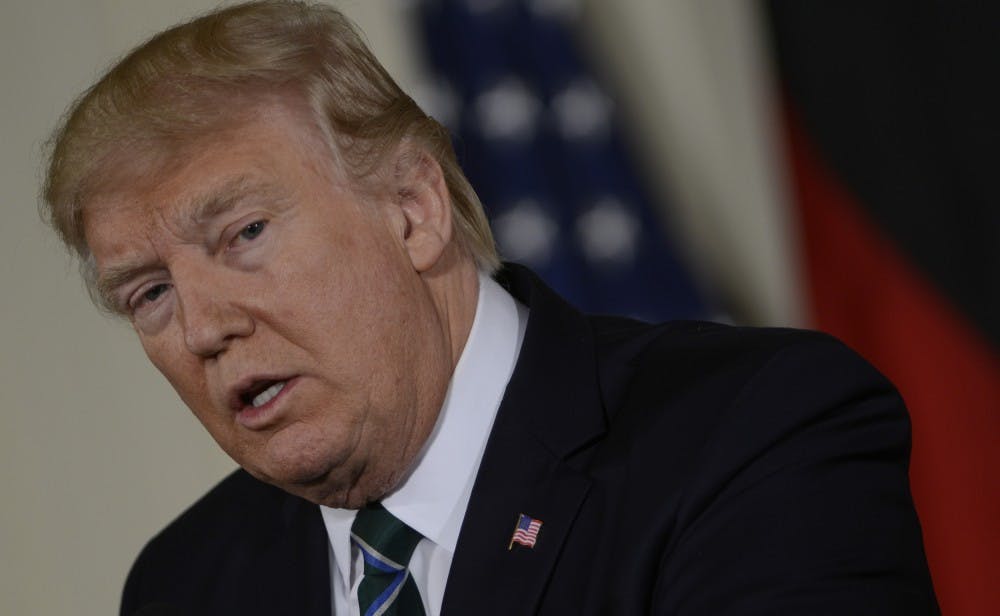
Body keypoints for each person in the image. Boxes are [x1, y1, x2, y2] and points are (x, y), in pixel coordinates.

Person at [42, 1, 939, 614]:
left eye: (244, 234)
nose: (203, 328)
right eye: (150, 292)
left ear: (413, 209)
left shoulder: (756, 436)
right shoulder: (186, 585)